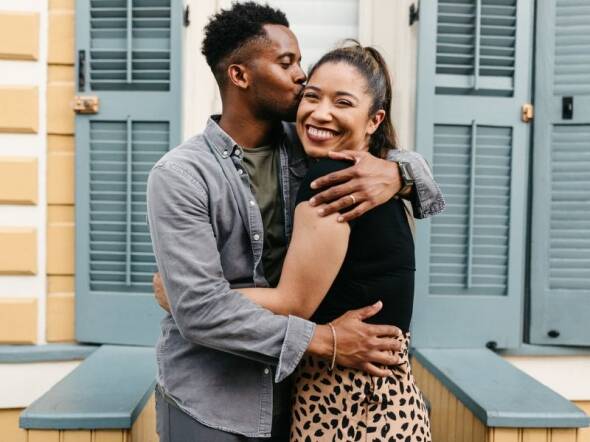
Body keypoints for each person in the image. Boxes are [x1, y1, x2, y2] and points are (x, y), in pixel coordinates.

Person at [146, 3, 443, 441]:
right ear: (240, 75)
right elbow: (201, 314)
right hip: (212, 400)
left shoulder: (311, 148)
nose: (301, 76)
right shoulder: (181, 176)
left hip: (297, 397)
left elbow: (373, 144)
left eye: (301, 61)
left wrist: (400, 173)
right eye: (287, 63)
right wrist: (323, 339)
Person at [234, 43, 432, 441]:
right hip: (384, 406)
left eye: (342, 102)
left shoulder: (332, 180)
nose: (321, 113)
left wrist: (190, 292)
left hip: (349, 408)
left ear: (374, 120)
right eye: (312, 97)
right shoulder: (373, 176)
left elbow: (292, 303)